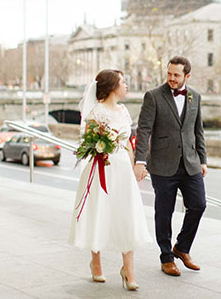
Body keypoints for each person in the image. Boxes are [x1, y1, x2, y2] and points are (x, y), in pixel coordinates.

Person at [69, 69, 151, 291]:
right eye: (123, 82)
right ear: (112, 86)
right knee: (100, 212)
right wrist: (99, 146)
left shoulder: (124, 111)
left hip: (123, 169)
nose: (126, 85)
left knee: (127, 216)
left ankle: (129, 271)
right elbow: (88, 141)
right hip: (102, 168)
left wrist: (135, 166)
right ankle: (96, 263)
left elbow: (127, 143)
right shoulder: (95, 112)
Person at [134, 56, 207, 277]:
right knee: (164, 213)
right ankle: (166, 257)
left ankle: (182, 248)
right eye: (169, 74)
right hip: (163, 165)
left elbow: (198, 130)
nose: (172, 79)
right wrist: (140, 161)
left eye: (176, 75)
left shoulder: (195, 97)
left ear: (187, 75)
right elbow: (143, 130)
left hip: (190, 162)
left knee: (199, 205)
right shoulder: (153, 96)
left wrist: (203, 159)